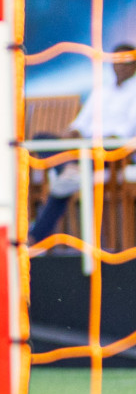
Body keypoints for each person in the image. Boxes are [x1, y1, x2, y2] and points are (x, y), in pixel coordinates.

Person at [28, 42, 136, 244]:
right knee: (41, 139)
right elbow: (78, 125)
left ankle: (36, 236)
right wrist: (71, 135)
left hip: (112, 152)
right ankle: (70, 169)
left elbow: (125, 133)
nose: (120, 66)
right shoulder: (100, 91)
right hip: (82, 149)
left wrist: (91, 144)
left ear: (134, 65)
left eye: (125, 62)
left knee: (66, 180)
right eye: (116, 61)